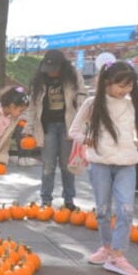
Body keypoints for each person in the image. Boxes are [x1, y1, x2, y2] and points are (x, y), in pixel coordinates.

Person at [69, 61, 138, 275]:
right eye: (121, 86)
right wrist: (89, 140)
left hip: (126, 163)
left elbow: (132, 130)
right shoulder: (92, 103)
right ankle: (106, 248)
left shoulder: (130, 104)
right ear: (107, 82)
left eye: (129, 86)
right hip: (100, 163)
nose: (125, 90)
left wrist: (135, 140)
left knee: (126, 209)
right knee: (103, 210)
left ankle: (117, 255)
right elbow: (73, 131)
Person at [24, 50, 88, 210]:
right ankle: (45, 200)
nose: (51, 73)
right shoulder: (39, 80)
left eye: (54, 69)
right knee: (48, 165)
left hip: (68, 126)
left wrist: (82, 126)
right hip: (46, 126)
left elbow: (83, 101)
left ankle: (69, 200)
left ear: (62, 66)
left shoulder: (73, 76)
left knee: (68, 165)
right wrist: (28, 128)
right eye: (48, 69)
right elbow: (32, 107)